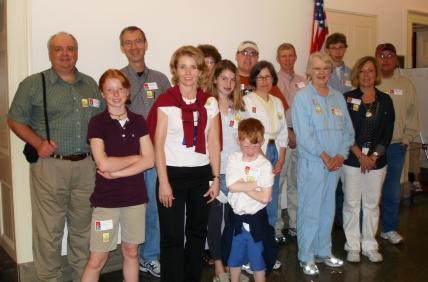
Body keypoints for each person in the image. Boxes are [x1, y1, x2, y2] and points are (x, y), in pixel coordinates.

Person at [7, 32, 104, 281]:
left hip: (86, 166)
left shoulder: (90, 83)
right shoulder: (33, 83)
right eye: (59, 49)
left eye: (70, 48)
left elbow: (103, 121)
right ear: (50, 53)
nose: (65, 54)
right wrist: (38, 143)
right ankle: (50, 277)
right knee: (49, 229)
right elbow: (14, 119)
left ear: (77, 52)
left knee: (83, 227)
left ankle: (83, 275)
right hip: (50, 167)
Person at [147, 45, 221, 282]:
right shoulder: (166, 102)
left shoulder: (210, 103)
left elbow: (215, 143)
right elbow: (157, 146)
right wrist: (164, 183)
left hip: (201, 174)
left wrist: (216, 178)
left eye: (193, 67)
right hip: (173, 175)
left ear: (200, 71)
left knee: (198, 233)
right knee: (172, 236)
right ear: (175, 71)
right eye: (183, 67)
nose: (188, 72)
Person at [81, 69, 154, 281]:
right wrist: (134, 158)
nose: (115, 94)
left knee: (131, 252)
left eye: (120, 89)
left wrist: (118, 172)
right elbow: (103, 163)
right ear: (102, 93)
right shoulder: (97, 123)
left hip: (134, 198)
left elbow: (149, 160)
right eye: (109, 90)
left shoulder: (139, 120)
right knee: (97, 259)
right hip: (106, 201)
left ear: (127, 91)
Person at [292, 52, 354, 275]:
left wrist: (341, 155)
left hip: (335, 165)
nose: (321, 73)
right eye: (317, 68)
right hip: (314, 164)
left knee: (328, 209)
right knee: (310, 210)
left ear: (330, 71)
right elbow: (304, 133)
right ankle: (306, 255)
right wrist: (325, 156)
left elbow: (348, 130)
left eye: (325, 69)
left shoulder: (338, 97)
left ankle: (324, 251)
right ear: (309, 71)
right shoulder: (302, 98)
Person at [119, 25, 171, 277]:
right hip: (125, 158)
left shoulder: (160, 80)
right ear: (122, 47)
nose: (134, 46)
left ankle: (149, 256)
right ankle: (131, 256)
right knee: (129, 209)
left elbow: (170, 118)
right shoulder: (116, 78)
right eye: (128, 42)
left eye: (138, 41)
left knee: (152, 208)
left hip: (153, 156)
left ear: (146, 44)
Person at [342, 56, 395, 263]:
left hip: (377, 162)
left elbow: (387, 133)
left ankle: (370, 245)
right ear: (357, 74)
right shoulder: (347, 98)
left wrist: (373, 156)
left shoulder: (385, 100)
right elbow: (345, 130)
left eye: (370, 71)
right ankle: (353, 245)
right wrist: (360, 155)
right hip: (353, 161)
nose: (366, 75)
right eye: (362, 71)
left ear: (376, 74)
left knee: (372, 204)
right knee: (351, 203)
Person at [206, 60, 249, 282]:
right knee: (214, 221)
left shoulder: (239, 109)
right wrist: (212, 175)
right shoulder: (208, 106)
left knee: (232, 222)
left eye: (232, 79)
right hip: (214, 172)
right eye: (224, 78)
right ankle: (218, 266)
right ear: (214, 79)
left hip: (235, 174)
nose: (228, 83)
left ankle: (232, 265)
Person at [243, 61, 287, 272]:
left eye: (268, 77)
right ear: (254, 79)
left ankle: (268, 253)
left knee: (271, 205)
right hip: (256, 155)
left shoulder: (277, 101)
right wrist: (264, 161)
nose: (264, 81)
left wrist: (281, 158)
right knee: (256, 206)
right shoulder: (247, 101)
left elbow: (284, 133)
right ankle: (253, 256)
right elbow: (248, 135)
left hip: (275, 151)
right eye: (260, 77)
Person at [375, 43, 420, 244]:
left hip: (395, 146)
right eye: (381, 55)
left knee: (392, 190)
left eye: (389, 55)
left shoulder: (406, 84)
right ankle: (367, 232)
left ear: (395, 59)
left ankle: (389, 228)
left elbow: (413, 114)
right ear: (376, 58)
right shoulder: (369, 80)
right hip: (372, 148)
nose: (385, 59)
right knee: (369, 192)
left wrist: (406, 139)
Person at [223, 118, 276, 282]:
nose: (251, 150)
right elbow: (231, 186)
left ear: (261, 142)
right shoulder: (234, 158)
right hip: (235, 218)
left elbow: (266, 198)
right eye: (246, 146)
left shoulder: (265, 165)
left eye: (255, 145)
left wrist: (242, 185)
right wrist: (258, 184)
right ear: (238, 141)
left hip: (256, 220)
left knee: (258, 262)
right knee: (234, 259)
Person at [275, 43, 307, 239]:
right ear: (278, 59)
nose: (288, 59)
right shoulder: (272, 81)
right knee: (279, 183)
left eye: (291, 56)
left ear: (296, 57)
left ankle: (295, 223)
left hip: (303, 138)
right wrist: (288, 133)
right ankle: (277, 226)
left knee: (297, 183)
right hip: (283, 137)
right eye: (283, 56)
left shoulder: (304, 81)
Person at [235, 41, 289, 111]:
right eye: (244, 53)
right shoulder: (228, 80)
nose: (248, 57)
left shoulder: (266, 80)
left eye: (253, 54)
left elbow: (281, 109)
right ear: (236, 56)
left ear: (257, 58)